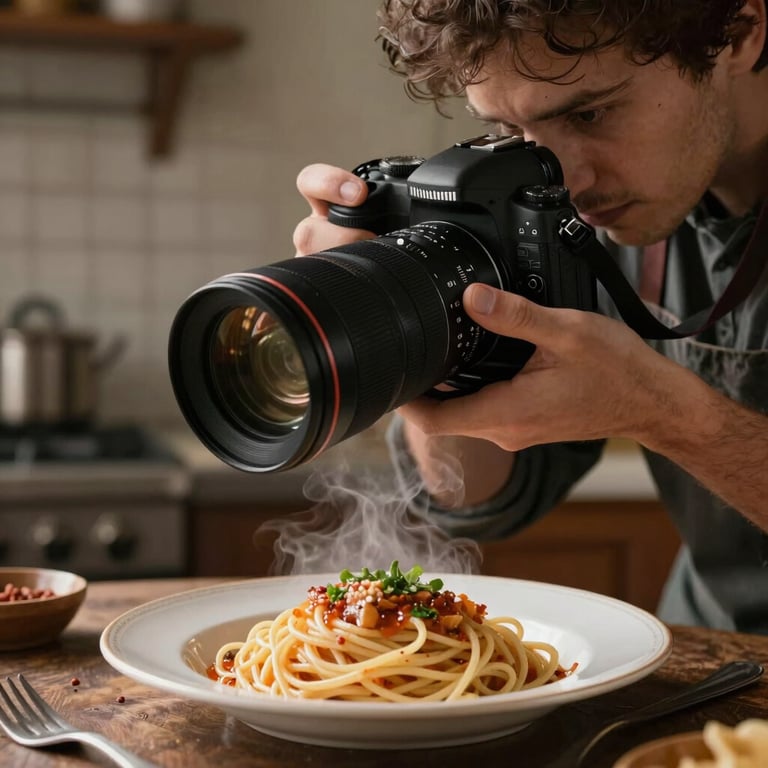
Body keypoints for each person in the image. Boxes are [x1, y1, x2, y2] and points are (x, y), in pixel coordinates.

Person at [292, 0, 768, 634]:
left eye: (591, 113)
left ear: (738, 31)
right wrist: (405, 320)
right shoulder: (589, 203)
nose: (564, 179)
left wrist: (663, 412)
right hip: (713, 664)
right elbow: (479, 498)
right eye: (513, 133)